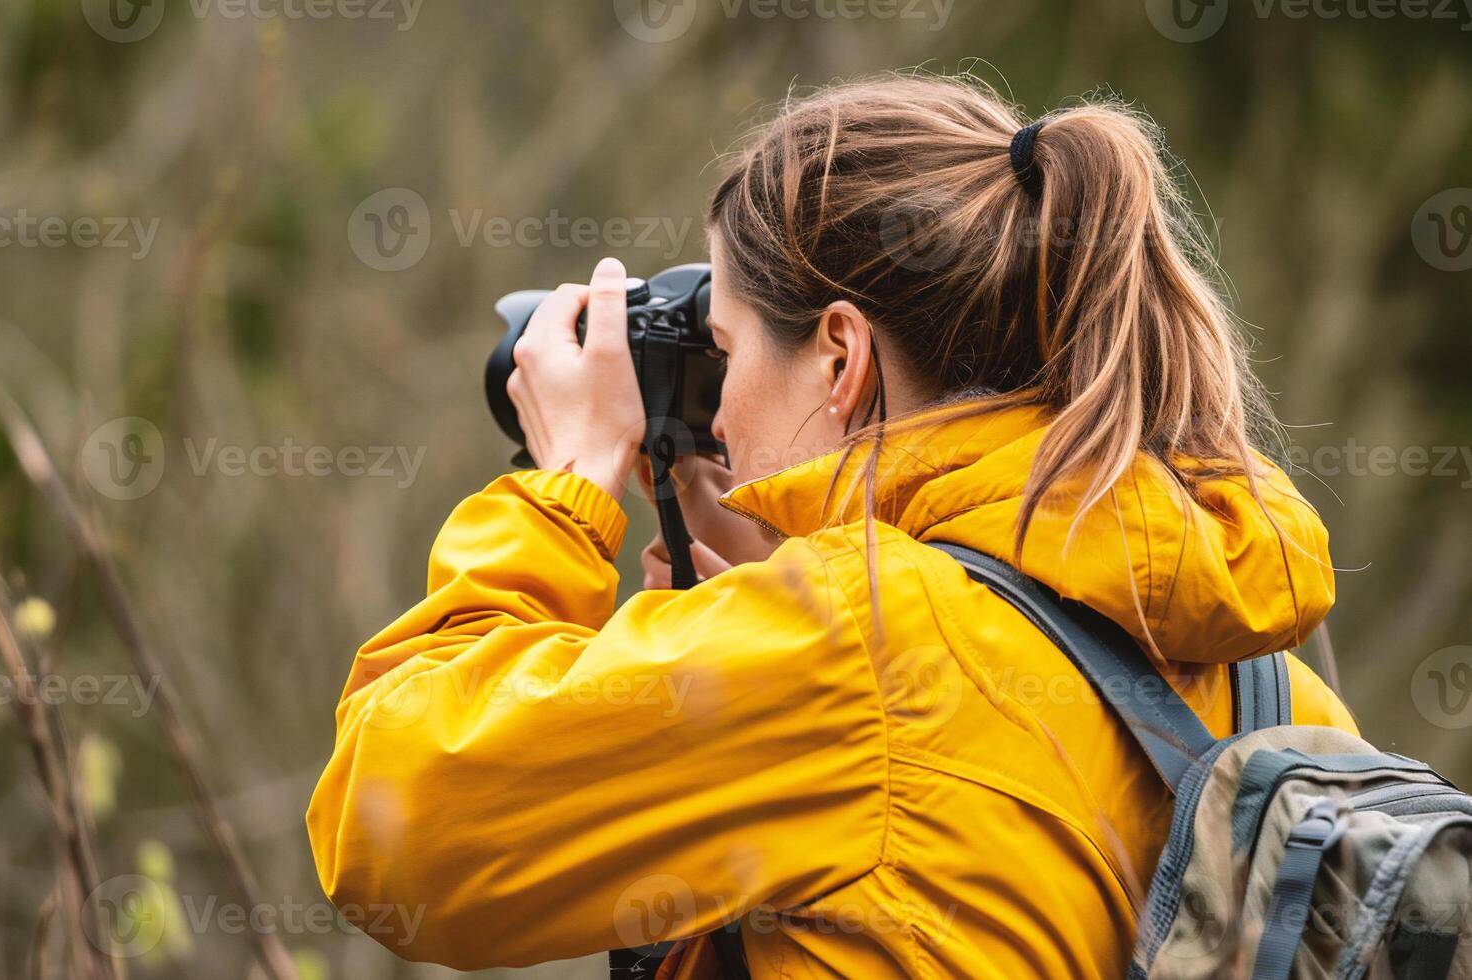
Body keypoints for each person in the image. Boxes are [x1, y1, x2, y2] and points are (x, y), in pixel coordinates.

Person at [306, 73, 1359, 978]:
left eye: (728, 350)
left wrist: (569, 479)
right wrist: (767, 576)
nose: (715, 415)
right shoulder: (1274, 682)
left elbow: (392, 821)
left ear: (841, 358)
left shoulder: (859, 642)